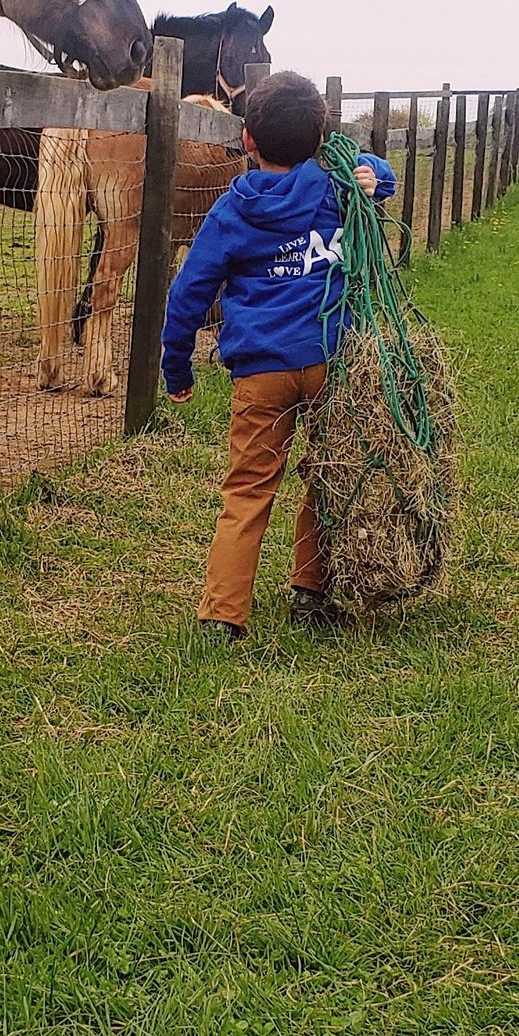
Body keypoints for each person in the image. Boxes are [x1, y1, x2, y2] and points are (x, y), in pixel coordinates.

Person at [161, 71, 396, 640]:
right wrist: (376, 174)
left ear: (247, 139)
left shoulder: (230, 212)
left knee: (248, 488)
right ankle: (310, 592)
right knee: (327, 473)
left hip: (262, 372)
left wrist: (176, 366)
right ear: (321, 139)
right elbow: (377, 178)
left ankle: (223, 616)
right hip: (332, 362)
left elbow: (188, 294)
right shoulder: (338, 190)